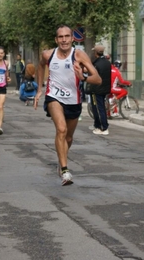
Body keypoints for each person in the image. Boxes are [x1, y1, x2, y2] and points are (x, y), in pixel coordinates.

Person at [34, 24, 101, 186]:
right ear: (56, 39)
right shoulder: (48, 54)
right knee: (61, 129)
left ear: (72, 38)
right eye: (60, 37)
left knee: (68, 137)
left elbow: (97, 79)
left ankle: (61, 159)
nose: (64, 40)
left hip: (74, 100)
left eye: (67, 37)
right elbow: (40, 66)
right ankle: (65, 170)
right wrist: (39, 89)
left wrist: (83, 77)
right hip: (54, 97)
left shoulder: (79, 55)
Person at [89, 44, 112, 135]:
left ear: (95, 53)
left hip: (96, 89)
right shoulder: (107, 62)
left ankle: (102, 127)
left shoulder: (96, 64)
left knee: (98, 108)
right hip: (105, 88)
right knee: (101, 107)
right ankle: (97, 124)